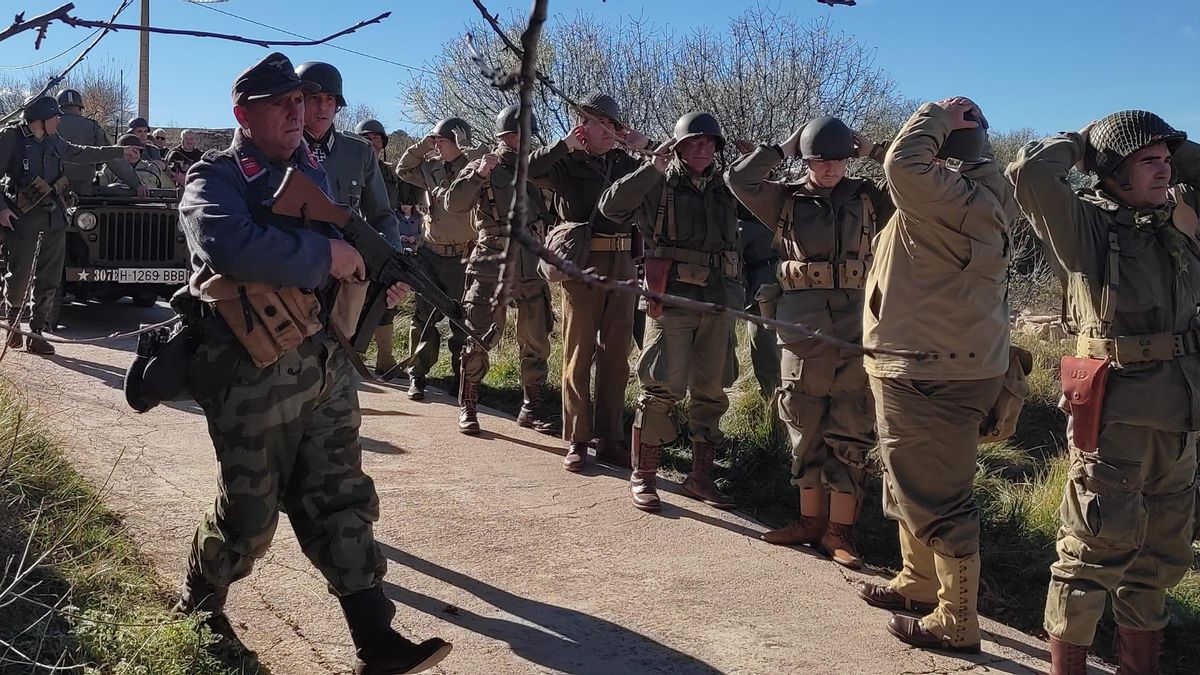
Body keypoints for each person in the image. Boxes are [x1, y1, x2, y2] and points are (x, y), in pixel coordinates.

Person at [174, 51, 450, 674]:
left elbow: (344, 245)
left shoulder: (313, 171)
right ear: (243, 115)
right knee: (249, 510)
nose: (299, 111)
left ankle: (376, 641)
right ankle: (197, 611)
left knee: (341, 495)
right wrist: (326, 257)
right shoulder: (215, 177)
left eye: (302, 100)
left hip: (323, 363)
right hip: (251, 370)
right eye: (282, 102)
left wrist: (376, 277)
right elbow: (230, 246)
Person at [1008, 111, 1200, 674]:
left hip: (1181, 415)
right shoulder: (1088, 229)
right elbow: (1031, 174)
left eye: (1168, 160)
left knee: (1161, 558)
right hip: (1116, 416)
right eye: (1148, 161)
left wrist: (1168, 143)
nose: (1165, 169)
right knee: (1092, 551)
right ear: (1113, 173)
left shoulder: (1181, 222)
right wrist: (1085, 145)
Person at [854, 97, 1016, 654]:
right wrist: (968, 137)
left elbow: (902, 163)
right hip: (948, 363)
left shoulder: (944, 199)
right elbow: (920, 167)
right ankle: (919, 581)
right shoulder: (990, 195)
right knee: (910, 478)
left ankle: (956, 618)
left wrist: (935, 115)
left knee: (937, 494)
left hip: (926, 367)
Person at [727, 116, 893, 569]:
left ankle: (840, 532)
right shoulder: (783, 198)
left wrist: (877, 151)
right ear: (807, 159)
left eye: (839, 159)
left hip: (859, 319)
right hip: (801, 321)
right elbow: (738, 177)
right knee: (801, 414)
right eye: (821, 160)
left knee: (852, 419)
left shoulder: (868, 196)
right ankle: (808, 521)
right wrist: (783, 147)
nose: (831, 168)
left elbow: (915, 187)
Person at [599, 111, 743, 512]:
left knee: (711, 391)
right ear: (678, 146)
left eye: (710, 142)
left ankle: (700, 478)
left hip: (718, 300)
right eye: (694, 142)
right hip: (672, 300)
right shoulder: (658, 181)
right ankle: (644, 476)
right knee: (661, 387)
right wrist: (652, 167)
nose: (703, 148)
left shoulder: (727, 186)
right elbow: (611, 207)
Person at [527, 92, 653, 471]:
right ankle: (578, 438)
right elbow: (529, 170)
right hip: (581, 264)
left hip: (623, 264)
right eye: (591, 122)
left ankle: (610, 436)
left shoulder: (628, 164)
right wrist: (564, 144)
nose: (600, 130)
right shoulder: (565, 163)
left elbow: (669, 170)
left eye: (607, 123)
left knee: (616, 354)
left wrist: (643, 145)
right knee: (578, 351)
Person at [444, 104, 555, 436]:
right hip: (491, 259)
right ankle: (469, 405)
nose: (521, 139)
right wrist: (478, 175)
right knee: (477, 335)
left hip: (532, 262)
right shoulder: (485, 166)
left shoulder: (539, 171)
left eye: (525, 133)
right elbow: (453, 204)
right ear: (503, 134)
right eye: (514, 133)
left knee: (536, 338)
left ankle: (531, 408)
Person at [296, 62, 409, 380]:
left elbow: (382, 215)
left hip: (344, 276)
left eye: (329, 101)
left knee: (337, 362)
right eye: (314, 99)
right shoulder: (281, 147)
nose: (322, 108)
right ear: (297, 101)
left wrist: (392, 263)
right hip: (293, 267)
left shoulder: (358, 152)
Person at [0, 96, 135, 354]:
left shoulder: (54, 140)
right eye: (55, 116)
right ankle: (14, 323)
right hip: (22, 217)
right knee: (19, 275)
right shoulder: (12, 138)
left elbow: (81, 152)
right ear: (40, 120)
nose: (60, 120)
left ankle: (37, 331)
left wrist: (119, 151)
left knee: (49, 277)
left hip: (54, 216)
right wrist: (2, 209)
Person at [395, 118, 477, 400]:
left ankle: (463, 379)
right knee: (423, 319)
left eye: (442, 140)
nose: (438, 146)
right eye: (436, 141)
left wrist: (469, 149)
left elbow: (497, 166)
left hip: (463, 257)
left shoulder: (474, 167)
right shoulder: (430, 168)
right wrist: (422, 145)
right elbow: (403, 169)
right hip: (430, 254)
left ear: (458, 141)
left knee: (462, 323)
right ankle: (417, 376)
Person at [54, 88, 144, 197]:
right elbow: (112, 158)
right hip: (83, 193)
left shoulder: (49, 126)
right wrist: (136, 184)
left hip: (52, 193)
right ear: (80, 108)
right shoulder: (93, 127)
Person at [101, 134, 174, 189]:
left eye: (137, 151)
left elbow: (170, 190)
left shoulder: (153, 168)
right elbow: (99, 193)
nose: (133, 154)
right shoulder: (109, 169)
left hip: (150, 207)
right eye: (130, 151)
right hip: (117, 208)